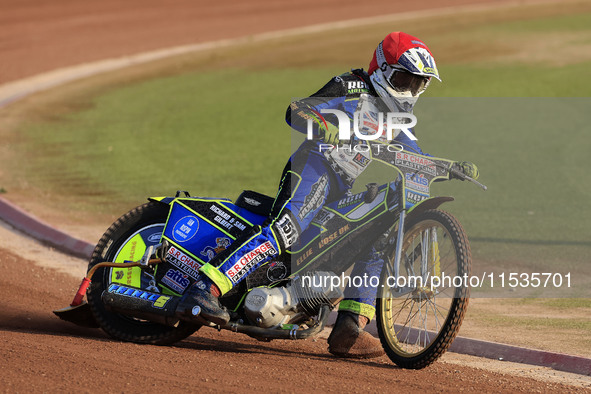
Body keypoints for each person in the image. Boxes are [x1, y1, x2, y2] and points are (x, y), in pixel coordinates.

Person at [176, 32, 479, 358]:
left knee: (380, 231)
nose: (409, 91)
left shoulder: (400, 120)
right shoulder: (352, 86)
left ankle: (350, 325)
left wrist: (446, 167)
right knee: (286, 229)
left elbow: (412, 157)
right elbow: (297, 109)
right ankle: (203, 288)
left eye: (418, 84)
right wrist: (323, 125)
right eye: (403, 79)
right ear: (381, 70)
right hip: (313, 169)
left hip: (342, 188)